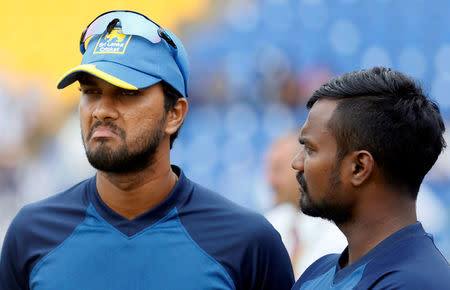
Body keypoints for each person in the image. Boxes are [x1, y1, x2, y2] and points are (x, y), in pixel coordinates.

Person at [0, 10, 294, 289]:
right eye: (90, 92)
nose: (101, 110)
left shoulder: (248, 242)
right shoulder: (31, 233)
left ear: (174, 114)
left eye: (127, 92)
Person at [291, 66, 450, 289]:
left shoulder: (415, 282)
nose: (296, 163)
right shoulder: (317, 272)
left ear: (359, 167)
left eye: (310, 149)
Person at [264, 132, 346, 279]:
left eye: (277, 169)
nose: (270, 180)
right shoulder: (272, 222)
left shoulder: (339, 234)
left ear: (302, 165)